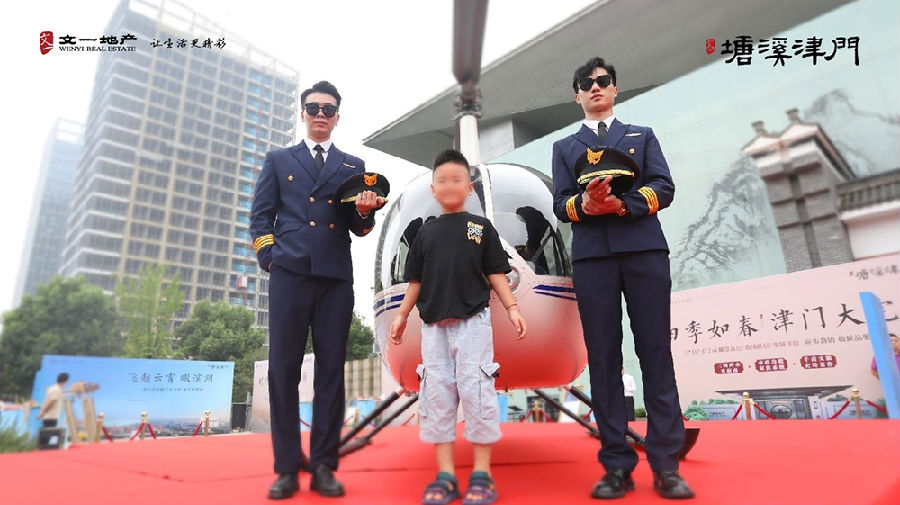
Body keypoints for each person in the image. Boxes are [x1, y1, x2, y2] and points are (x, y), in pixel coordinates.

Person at [551, 57, 694, 499]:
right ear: (577, 95)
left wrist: (623, 205)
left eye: (603, 81)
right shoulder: (564, 146)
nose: (595, 87)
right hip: (593, 257)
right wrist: (586, 205)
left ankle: (666, 465)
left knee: (655, 352)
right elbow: (560, 204)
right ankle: (616, 464)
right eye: (586, 83)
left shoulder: (641, 136)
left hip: (644, 250)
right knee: (604, 359)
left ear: (614, 89)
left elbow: (664, 186)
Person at [251, 80, 382, 500]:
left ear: (337, 116)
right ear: (303, 113)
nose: (320, 114)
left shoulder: (352, 165)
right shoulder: (278, 160)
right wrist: (270, 258)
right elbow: (260, 217)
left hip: (334, 277)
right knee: (282, 371)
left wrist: (366, 213)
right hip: (289, 274)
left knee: (331, 373)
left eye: (328, 109)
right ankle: (287, 467)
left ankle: (324, 464)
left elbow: (359, 227)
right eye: (313, 108)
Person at [389, 148, 527, 505]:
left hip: (474, 324)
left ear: (469, 188)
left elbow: (496, 273)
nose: (449, 185)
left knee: (478, 392)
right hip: (433, 327)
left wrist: (512, 308)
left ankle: (481, 474)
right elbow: (415, 281)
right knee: (436, 396)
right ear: (433, 189)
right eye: (442, 180)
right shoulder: (425, 233)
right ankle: (445, 475)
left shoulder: (481, 228)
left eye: (457, 180)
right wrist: (402, 315)